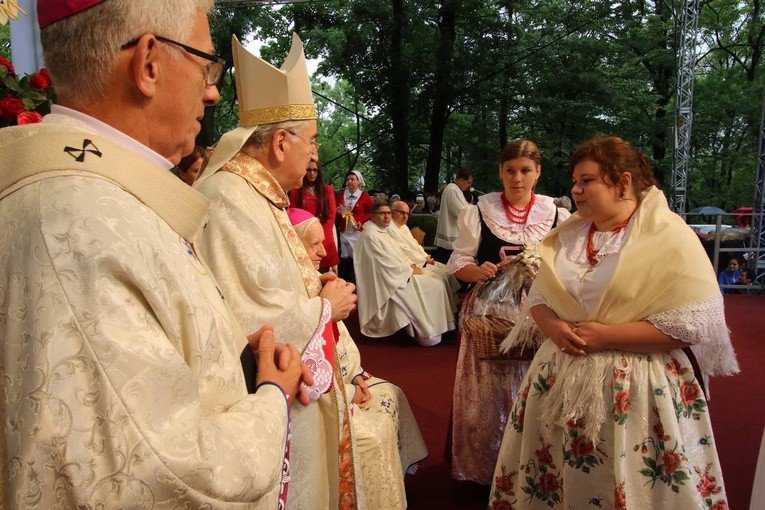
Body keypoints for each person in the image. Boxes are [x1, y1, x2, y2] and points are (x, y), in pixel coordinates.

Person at [0, 1, 312, 508]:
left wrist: (238, 354)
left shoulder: (103, 197)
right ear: (148, 63)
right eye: (207, 66)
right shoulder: (79, 227)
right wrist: (271, 398)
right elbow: (160, 476)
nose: (213, 92)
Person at [490, 135, 739, 508]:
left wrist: (609, 336)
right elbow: (540, 299)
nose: (576, 190)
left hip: (638, 387)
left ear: (623, 181)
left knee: (631, 480)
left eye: (587, 180)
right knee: (556, 477)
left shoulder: (668, 236)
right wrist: (554, 327)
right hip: (558, 378)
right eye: (575, 181)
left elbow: (692, 325)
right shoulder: (571, 235)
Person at [194, 34, 364, 509]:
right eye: (310, 141)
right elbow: (247, 318)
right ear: (281, 141)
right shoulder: (229, 198)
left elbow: (272, 283)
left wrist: (316, 287)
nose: (314, 153)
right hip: (266, 399)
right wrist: (325, 307)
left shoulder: (259, 195)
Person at [446, 139, 570, 485]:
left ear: (538, 173)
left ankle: (537, 467)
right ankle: (486, 468)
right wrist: (477, 271)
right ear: (500, 172)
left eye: (525, 171)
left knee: (539, 384)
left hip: (541, 312)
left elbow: (569, 264)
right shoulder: (478, 210)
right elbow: (458, 262)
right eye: (511, 171)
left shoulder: (557, 214)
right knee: (491, 392)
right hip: (491, 312)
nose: (518, 178)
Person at [289, 207, 429, 510]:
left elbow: (345, 345)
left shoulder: (319, 282)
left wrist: (355, 376)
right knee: (373, 438)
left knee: (393, 391)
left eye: (321, 242)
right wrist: (351, 389)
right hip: (320, 400)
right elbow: (308, 366)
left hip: (346, 381)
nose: (323, 250)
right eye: (312, 244)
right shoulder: (292, 294)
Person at [354, 195, 456, 346]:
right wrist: (408, 269)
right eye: (382, 214)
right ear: (373, 216)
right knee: (436, 286)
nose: (387, 217)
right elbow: (384, 263)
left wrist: (410, 264)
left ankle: (445, 327)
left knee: (437, 281)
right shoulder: (370, 235)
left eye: (388, 213)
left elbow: (398, 254)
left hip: (397, 274)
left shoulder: (380, 231)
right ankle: (429, 333)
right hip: (387, 282)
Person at [389, 199, 461, 300]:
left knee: (448, 271)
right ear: (392, 213)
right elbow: (404, 250)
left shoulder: (403, 227)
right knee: (441, 279)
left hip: (420, 260)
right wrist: (424, 260)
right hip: (412, 264)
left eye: (407, 213)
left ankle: (453, 304)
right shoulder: (390, 228)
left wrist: (426, 255)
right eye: (401, 213)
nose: (405, 216)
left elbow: (415, 244)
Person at [289, 160, 339, 271]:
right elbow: (293, 214)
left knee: (324, 273)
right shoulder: (296, 191)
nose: (312, 173)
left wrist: (320, 237)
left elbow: (331, 215)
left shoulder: (327, 190)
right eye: (308, 170)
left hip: (324, 236)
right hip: (305, 238)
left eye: (315, 170)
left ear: (318, 172)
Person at [336, 170, 372, 283]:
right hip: (344, 231)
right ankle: (345, 281)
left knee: (356, 257)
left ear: (358, 181)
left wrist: (362, 221)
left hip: (357, 232)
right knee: (344, 257)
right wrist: (340, 212)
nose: (349, 181)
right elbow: (336, 209)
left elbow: (370, 213)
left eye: (352, 179)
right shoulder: (341, 195)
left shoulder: (364, 196)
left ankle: (358, 282)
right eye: (347, 179)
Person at [435, 167, 473, 263]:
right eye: (468, 182)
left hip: (450, 243)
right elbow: (461, 212)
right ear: (461, 180)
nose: (469, 186)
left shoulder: (455, 189)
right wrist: (475, 210)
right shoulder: (453, 190)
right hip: (448, 243)